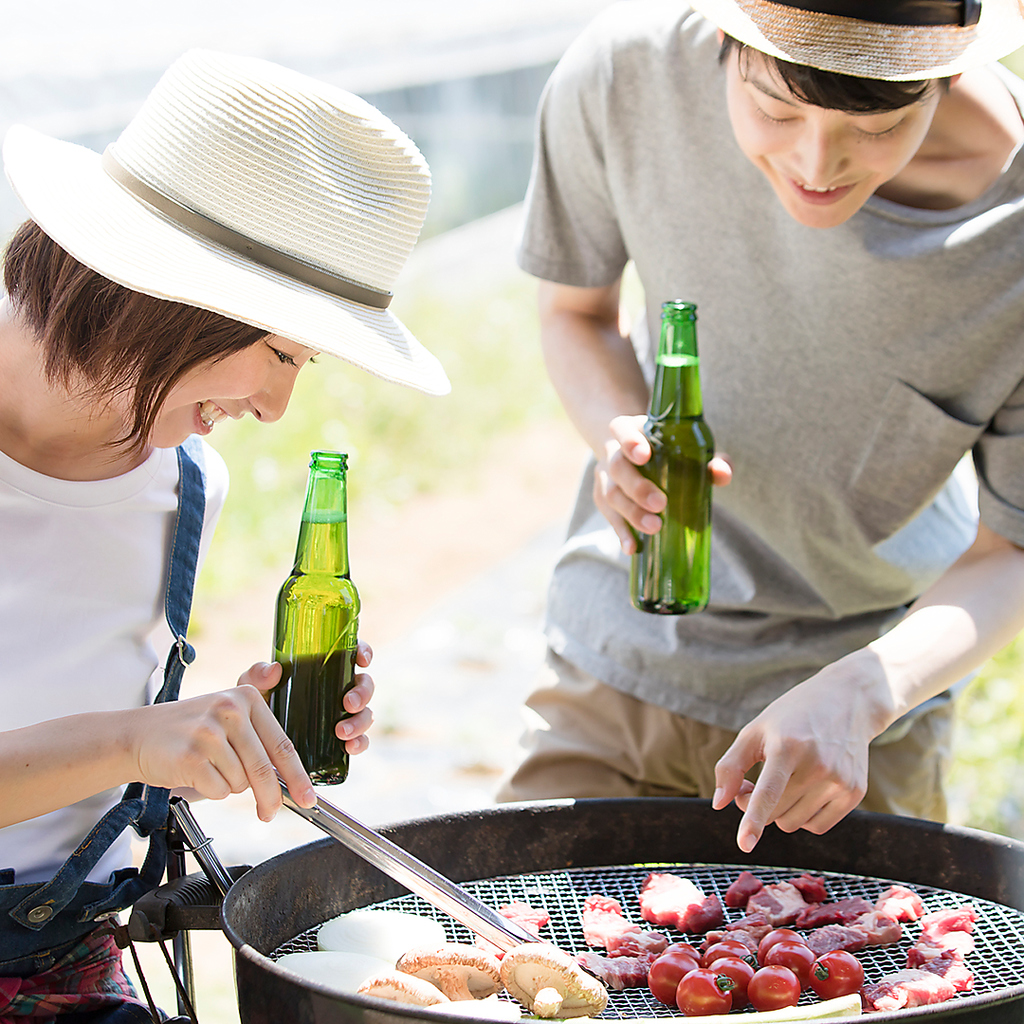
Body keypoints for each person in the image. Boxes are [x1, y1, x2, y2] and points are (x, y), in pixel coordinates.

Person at [498, 0, 1024, 856]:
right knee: (523, 965)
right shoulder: (623, 76)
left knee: (852, 986)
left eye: (879, 125)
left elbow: (1011, 552)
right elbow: (576, 313)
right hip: (617, 668)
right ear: (723, 37)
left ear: (949, 70)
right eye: (777, 110)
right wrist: (618, 433)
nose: (816, 162)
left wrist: (862, 693)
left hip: (858, 727)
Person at [0, 49, 448, 1021]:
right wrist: (133, 736)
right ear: (158, 294)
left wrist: (219, 734)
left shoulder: (186, 478)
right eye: (277, 350)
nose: (280, 406)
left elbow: (76, 729)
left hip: (64, 969)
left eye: (307, 363)